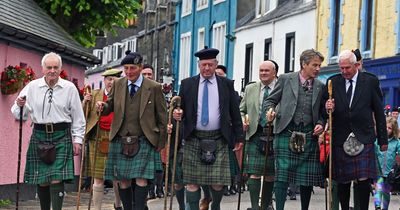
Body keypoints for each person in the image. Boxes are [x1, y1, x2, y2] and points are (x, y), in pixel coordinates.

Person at [11, 52, 85, 210]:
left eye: (55, 67)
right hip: (39, 135)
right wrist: (19, 104)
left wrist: (77, 140)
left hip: (62, 135)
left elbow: (78, 117)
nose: (52, 70)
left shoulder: (69, 88)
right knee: (42, 178)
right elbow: (19, 114)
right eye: (49, 67)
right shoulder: (32, 87)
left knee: (57, 178)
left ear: (60, 69)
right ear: (43, 68)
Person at [173, 47, 244, 210]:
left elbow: (234, 111)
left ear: (216, 64)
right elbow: (179, 109)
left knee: (218, 183)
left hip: (219, 137)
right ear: (198, 65)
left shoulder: (226, 84)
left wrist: (239, 137)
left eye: (210, 65)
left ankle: (215, 205)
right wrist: (177, 114)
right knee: (191, 183)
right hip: (193, 137)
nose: (207, 68)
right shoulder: (187, 84)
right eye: (204, 65)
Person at [96, 50, 167, 210]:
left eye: (132, 68)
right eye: (126, 68)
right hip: (121, 138)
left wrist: (161, 142)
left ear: (140, 67)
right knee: (123, 179)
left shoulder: (154, 87)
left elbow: (162, 116)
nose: (129, 72)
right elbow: (110, 105)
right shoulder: (118, 84)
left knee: (142, 178)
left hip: (144, 138)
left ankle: (139, 208)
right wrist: (102, 107)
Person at [325, 49, 388, 210]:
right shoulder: (333, 82)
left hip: (363, 136)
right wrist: (328, 107)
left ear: (356, 65)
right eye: (341, 68)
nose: (344, 71)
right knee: (343, 180)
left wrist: (383, 140)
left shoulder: (370, 81)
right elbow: (324, 111)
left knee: (363, 179)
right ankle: (344, 208)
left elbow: (379, 111)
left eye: (347, 68)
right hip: (341, 137)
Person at [266, 49, 326, 210]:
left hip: (308, 133)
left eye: (319, 65)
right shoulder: (286, 79)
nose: (318, 69)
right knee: (282, 175)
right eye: (315, 65)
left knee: (307, 178)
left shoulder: (320, 86)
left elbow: (323, 112)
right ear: (304, 64)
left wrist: (321, 123)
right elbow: (270, 100)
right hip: (286, 131)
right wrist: (270, 111)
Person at [82, 69, 123, 210]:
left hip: (117, 137)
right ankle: (96, 208)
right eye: (108, 79)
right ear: (104, 80)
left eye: (114, 79)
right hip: (97, 136)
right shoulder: (94, 94)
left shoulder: (123, 96)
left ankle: (118, 205)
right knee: (98, 176)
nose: (111, 82)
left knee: (118, 177)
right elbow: (84, 115)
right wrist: (85, 102)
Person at [240, 60, 278, 210]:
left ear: (274, 72)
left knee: (270, 174)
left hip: (274, 134)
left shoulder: (281, 88)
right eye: (261, 70)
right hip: (255, 133)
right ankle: (255, 206)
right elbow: (241, 109)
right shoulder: (251, 88)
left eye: (266, 71)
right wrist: (244, 119)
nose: (263, 73)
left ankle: (265, 206)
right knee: (254, 173)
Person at [140, 64, 165, 200]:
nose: (147, 77)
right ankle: (148, 193)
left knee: (157, 167)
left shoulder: (156, 89)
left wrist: (161, 137)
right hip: (137, 136)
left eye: (150, 74)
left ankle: (158, 189)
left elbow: (162, 114)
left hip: (152, 135)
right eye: (144, 74)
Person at [374, 116, 400, 210]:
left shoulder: (396, 142)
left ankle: (385, 208)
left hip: (390, 173)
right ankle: (377, 206)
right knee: (378, 189)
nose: (387, 129)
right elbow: (374, 152)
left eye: (390, 128)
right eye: (385, 127)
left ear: (394, 130)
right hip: (378, 170)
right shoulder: (377, 140)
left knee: (386, 192)